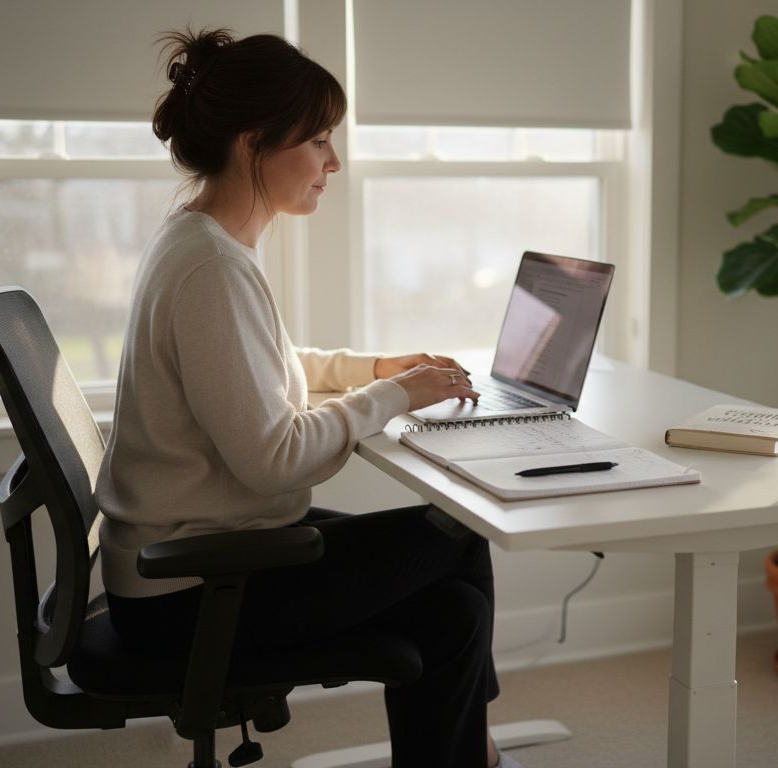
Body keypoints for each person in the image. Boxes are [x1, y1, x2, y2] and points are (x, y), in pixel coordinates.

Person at [94, 29, 522, 768]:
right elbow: (273, 458)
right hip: (190, 591)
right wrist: (392, 394)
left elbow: (260, 368)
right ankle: (476, 758)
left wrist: (375, 368)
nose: (334, 162)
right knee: (457, 532)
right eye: (319, 140)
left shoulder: (201, 240)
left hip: (198, 557)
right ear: (254, 142)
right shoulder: (211, 268)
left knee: (450, 607)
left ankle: (472, 756)